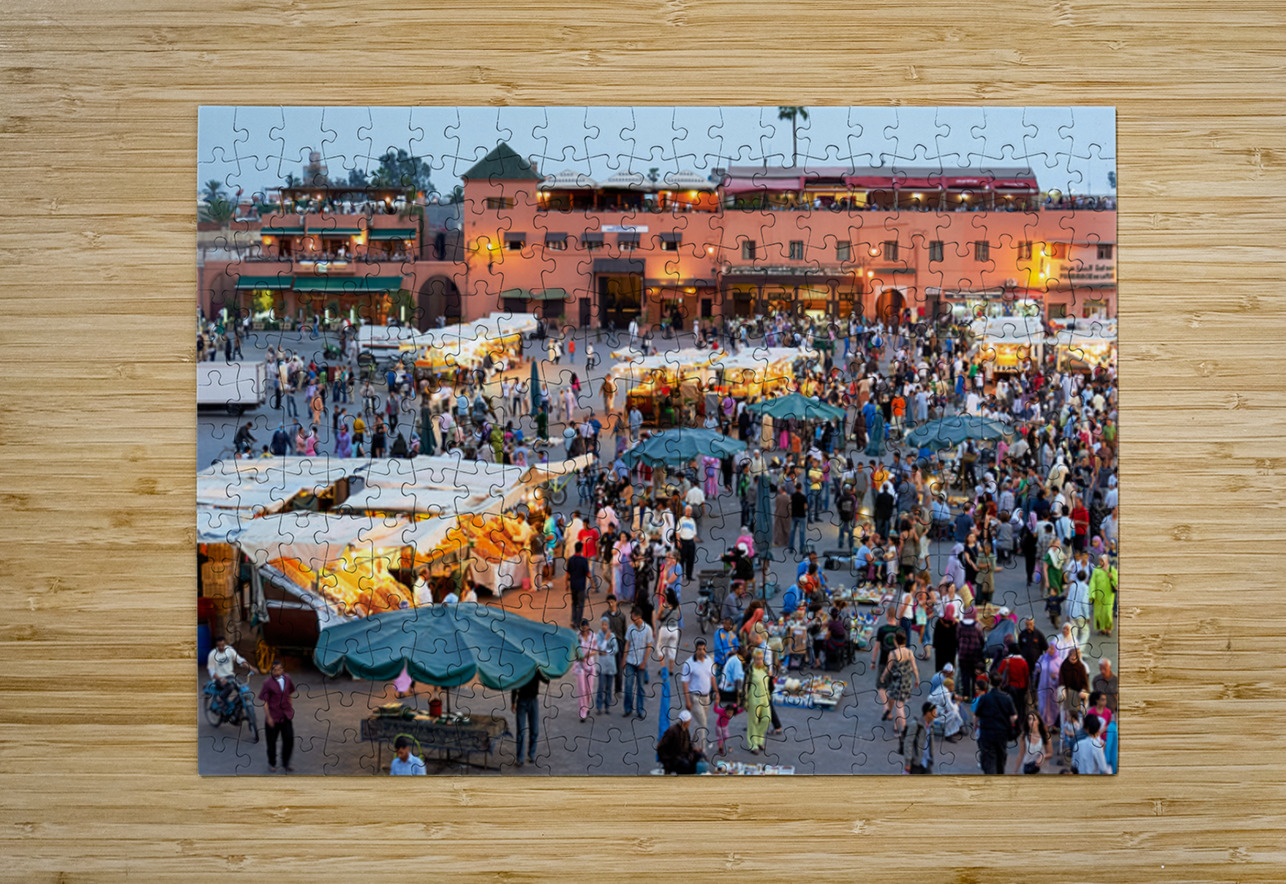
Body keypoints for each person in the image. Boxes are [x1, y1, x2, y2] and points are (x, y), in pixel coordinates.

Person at [974, 671, 1018, 774]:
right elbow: (1013, 717)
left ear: (989, 682)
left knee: (989, 759)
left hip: (987, 733)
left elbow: (977, 716)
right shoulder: (1007, 698)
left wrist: (976, 727)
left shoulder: (984, 698)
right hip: (1001, 733)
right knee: (1000, 758)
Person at [258, 659, 296, 772]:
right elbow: (264, 701)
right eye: (275, 670)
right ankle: (272, 763)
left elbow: (290, 693)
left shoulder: (287, 678)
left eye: (280, 669)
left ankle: (286, 762)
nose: (278, 672)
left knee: (289, 739)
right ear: (272, 671)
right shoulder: (267, 683)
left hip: (286, 715)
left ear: (282, 669)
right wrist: (268, 717)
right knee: (271, 742)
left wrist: (290, 707)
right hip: (273, 717)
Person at [681, 638, 716, 754]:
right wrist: (687, 700)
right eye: (699, 649)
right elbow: (684, 683)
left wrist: (717, 692)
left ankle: (694, 745)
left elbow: (712, 677)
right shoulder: (689, 663)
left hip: (706, 697)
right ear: (695, 650)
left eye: (703, 649)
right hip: (694, 697)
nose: (701, 651)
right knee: (702, 724)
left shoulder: (709, 662)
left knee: (699, 724)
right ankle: (703, 751)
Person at [206, 635, 258, 711]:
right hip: (218, 678)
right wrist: (221, 679)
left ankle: (236, 708)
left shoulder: (230, 650)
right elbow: (211, 671)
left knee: (243, 689)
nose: (221, 647)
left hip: (231, 676)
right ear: (216, 645)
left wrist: (252, 668)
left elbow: (240, 660)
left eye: (223, 645)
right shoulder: (212, 654)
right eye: (219, 646)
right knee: (230, 686)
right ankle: (219, 698)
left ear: (225, 644)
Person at [510, 668, 549, 768]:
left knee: (534, 730)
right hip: (521, 701)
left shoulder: (536, 669)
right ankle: (520, 758)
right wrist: (513, 702)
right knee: (520, 732)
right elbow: (514, 685)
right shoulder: (520, 667)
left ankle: (531, 755)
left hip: (533, 701)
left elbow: (547, 680)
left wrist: (546, 670)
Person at [622, 606, 653, 720]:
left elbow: (649, 647)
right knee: (628, 686)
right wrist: (624, 659)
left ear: (638, 617)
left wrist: (644, 662)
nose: (632, 620)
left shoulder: (648, 629)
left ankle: (640, 709)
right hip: (630, 661)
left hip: (641, 662)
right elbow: (627, 644)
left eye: (633, 618)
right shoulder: (630, 628)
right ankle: (627, 708)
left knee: (640, 688)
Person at [656, 710, 707, 774]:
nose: (690, 723)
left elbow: (688, 745)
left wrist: (694, 750)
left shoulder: (685, 730)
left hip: (684, 755)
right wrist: (666, 759)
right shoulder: (672, 731)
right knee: (685, 764)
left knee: (701, 756)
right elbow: (660, 746)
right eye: (689, 721)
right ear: (686, 722)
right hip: (674, 758)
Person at [745, 649, 772, 754]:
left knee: (767, 719)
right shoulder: (750, 670)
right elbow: (746, 685)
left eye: (761, 659)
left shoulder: (764, 669)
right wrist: (745, 700)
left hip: (765, 698)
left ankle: (759, 739)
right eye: (757, 659)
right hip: (754, 699)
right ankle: (753, 744)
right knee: (753, 722)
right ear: (754, 659)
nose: (759, 661)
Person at [1013, 709, 1053, 774]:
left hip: (1041, 770)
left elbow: (1050, 754)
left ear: (1038, 722)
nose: (1031, 722)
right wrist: (1015, 771)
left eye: (1034, 720)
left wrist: (1043, 756)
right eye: (1029, 719)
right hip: (1027, 768)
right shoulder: (1024, 736)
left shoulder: (1045, 735)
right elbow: (1021, 754)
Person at [573, 618, 597, 722]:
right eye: (583, 627)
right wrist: (580, 656)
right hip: (580, 665)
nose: (584, 629)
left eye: (586, 627)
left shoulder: (593, 636)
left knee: (589, 690)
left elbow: (595, 650)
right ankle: (582, 712)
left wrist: (587, 654)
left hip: (590, 665)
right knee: (582, 690)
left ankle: (586, 707)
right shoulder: (577, 637)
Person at [902, 701, 936, 774]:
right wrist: (908, 762)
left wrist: (931, 756)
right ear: (928, 713)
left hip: (927, 761)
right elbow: (908, 743)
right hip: (916, 762)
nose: (935, 715)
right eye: (934, 712)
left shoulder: (931, 726)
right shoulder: (915, 725)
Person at [594, 615, 619, 714]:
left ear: (608, 625)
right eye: (602, 624)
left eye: (606, 624)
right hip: (601, 666)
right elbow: (599, 648)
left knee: (609, 687)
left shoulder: (612, 636)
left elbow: (615, 649)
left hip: (611, 666)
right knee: (600, 687)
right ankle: (598, 706)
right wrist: (605, 639)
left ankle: (607, 706)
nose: (604, 626)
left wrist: (606, 651)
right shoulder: (598, 636)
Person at [1089, 555, 1118, 636]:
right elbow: (1092, 582)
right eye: (1100, 561)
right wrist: (1092, 594)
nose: (1100, 562)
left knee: (1108, 613)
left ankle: (1108, 629)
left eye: (1102, 561)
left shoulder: (1111, 569)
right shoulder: (1096, 570)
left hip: (1108, 596)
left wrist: (1112, 577)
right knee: (1099, 613)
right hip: (1098, 596)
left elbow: (1117, 581)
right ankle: (1102, 629)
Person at [566, 541, 590, 629]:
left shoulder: (571, 559)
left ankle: (573, 620)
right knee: (581, 604)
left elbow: (567, 573)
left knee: (574, 603)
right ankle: (578, 622)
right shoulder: (584, 560)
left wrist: (566, 584)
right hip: (581, 585)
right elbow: (588, 573)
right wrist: (593, 582)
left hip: (573, 584)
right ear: (581, 549)